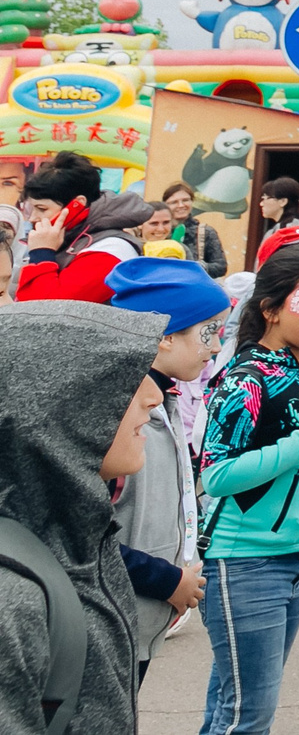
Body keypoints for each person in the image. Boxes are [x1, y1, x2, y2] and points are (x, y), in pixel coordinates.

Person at [197, 237, 299, 724]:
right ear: (270, 308)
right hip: (244, 562)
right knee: (248, 714)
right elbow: (219, 475)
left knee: (234, 706)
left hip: (296, 557)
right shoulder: (245, 379)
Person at [0, 297, 164, 735]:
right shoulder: (10, 597)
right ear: (51, 406)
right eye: (122, 382)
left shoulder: (84, 532)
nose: (154, 395)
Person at [103, 256, 229, 685]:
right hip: (113, 622)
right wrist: (167, 580)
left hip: (140, 622)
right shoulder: (122, 414)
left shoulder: (166, 397)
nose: (216, 347)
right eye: (209, 331)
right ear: (163, 337)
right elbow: (87, 530)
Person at [18, 157, 154, 303]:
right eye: (30, 209)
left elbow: (51, 310)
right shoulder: (65, 239)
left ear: (76, 205)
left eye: (42, 209)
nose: (33, 218)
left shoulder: (110, 250)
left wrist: (42, 253)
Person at [164, 179, 229, 278]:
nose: (181, 205)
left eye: (185, 200)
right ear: (165, 205)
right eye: (174, 202)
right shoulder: (160, 231)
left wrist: (197, 267)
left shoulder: (205, 231)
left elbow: (221, 267)